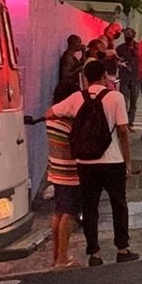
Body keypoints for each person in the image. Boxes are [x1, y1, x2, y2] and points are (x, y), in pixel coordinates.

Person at [47, 59, 139, 266]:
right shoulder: (115, 97)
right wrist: (128, 162)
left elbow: (51, 113)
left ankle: (94, 254)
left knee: (90, 208)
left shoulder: (76, 97)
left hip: (85, 162)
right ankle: (122, 249)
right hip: (113, 160)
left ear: (86, 78)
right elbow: (123, 131)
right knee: (119, 205)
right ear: (105, 76)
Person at [46, 83, 82, 269]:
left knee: (59, 213)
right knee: (69, 214)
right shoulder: (68, 123)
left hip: (56, 172)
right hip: (70, 173)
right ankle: (62, 258)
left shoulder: (51, 121)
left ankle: (56, 255)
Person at [115, 27, 139, 128]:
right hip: (125, 77)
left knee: (133, 102)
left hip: (135, 77)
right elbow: (116, 61)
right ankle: (124, 122)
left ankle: (130, 122)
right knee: (124, 101)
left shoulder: (139, 48)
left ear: (134, 35)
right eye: (126, 35)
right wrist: (120, 64)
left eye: (129, 35)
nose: (128, 37)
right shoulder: (120, 48)